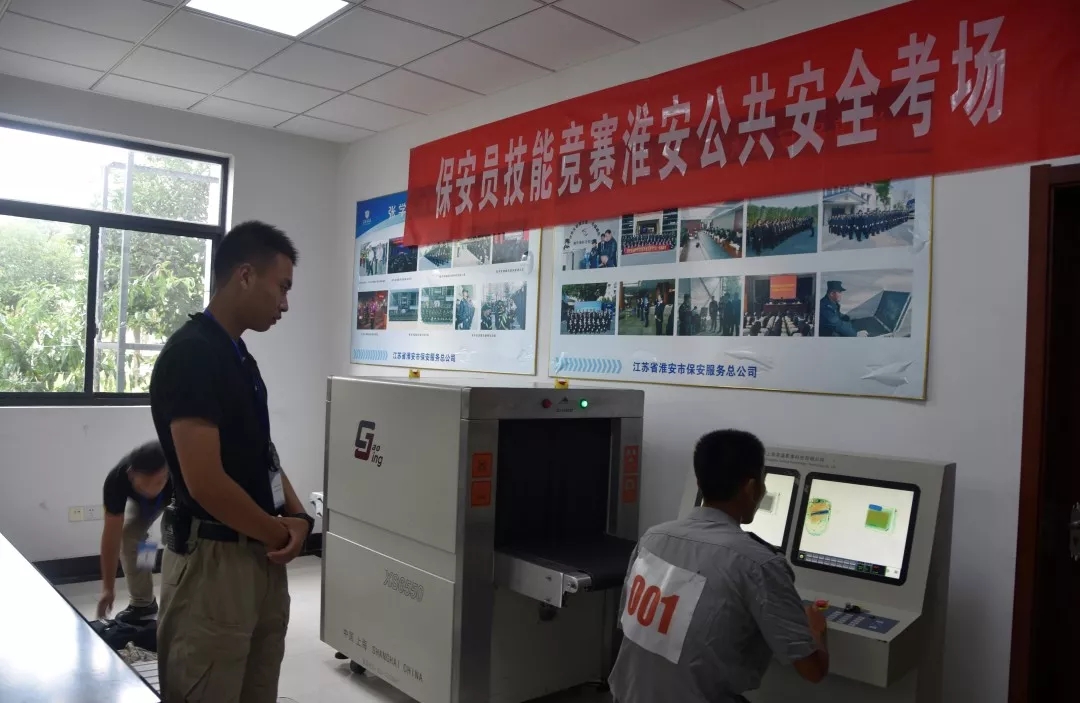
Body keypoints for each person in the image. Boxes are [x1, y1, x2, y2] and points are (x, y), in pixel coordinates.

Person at [149, 221, 315, 702]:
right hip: (214, 563)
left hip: (260, 554)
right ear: (245, 275)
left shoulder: (240, 357)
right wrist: (278, 532)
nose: (285, 303)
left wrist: (299, 516)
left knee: (258, 688)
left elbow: (263, 453)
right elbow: (205, 482)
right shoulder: (192, 354)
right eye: (282, 286)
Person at [609, 430, 829, 703]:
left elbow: (629, 624)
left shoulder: (653, 538)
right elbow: (812, 670)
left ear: (699, 482)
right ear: (752, 487)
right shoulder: (759, 564)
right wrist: (815, 631)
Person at [97, 441, 170, 622]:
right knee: (130, 536)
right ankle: (143, 603)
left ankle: (182, 602)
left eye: (159, 482)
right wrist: (108, 588)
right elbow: (111, 536)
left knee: (176, 539)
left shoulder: (179, 469)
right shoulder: (116, 480)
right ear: (131, 475)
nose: (153, 489)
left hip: (178, 498)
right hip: (142, 505)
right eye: (145, 484)